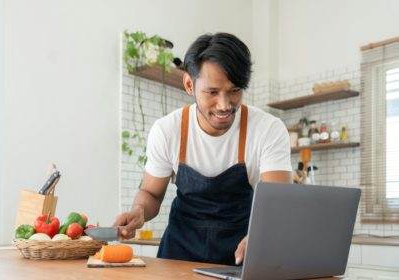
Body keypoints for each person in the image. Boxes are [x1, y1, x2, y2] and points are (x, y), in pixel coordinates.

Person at [113, 32, 292, 265]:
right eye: (212, 92)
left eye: (234, 90)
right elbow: (151, 194)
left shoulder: (268, 129)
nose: (225, 105)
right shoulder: (167, 130)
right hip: (178, 256)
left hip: (239, 257)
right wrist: (139, 211)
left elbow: (280, 204)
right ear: (189, 84)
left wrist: (261, 238)